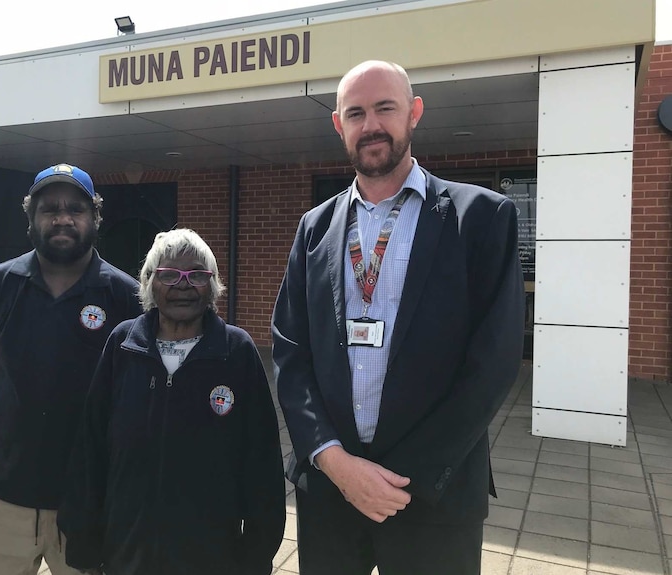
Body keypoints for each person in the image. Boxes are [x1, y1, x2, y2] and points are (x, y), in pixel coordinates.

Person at [271, 60, 525, 575]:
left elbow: (493, 363)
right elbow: (290, 354)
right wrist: (336, 463)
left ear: (414, 113)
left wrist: (395, 479)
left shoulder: (482, 217)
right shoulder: (314, 229)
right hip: (331, 495)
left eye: (385, 108)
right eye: (356, 113)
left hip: (432, 495)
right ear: (339, 125)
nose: (371, 125)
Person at [58, 228, 286, 575]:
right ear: (149, 283)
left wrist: (256, 558)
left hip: (212, 558)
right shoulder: (122, 345)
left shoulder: (237, 352)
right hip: (127, 553)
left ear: (212, 286)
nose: (183, 285)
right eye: (168, 275)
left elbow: (262, 466)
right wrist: (84, 545)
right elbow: (90, 450)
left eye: (196, 275)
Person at [0, 163, 142, 575]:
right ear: (31, 217)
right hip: (1, 493)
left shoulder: (127, 297)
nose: (62, 218)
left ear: (95, 217)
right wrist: (14, 415)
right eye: (49, 209)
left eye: (75, 208)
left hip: (89, 497)